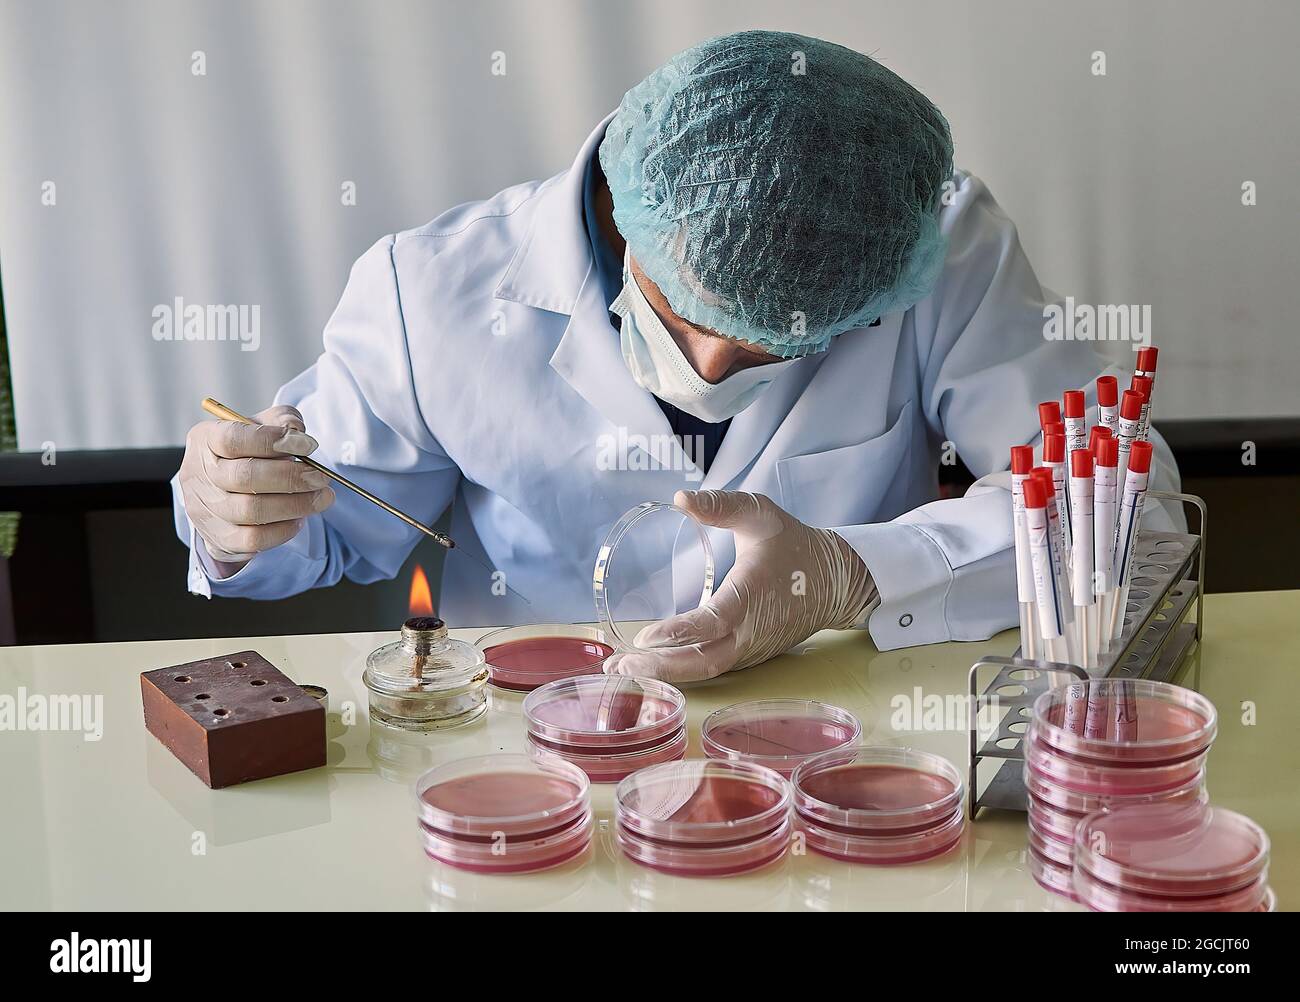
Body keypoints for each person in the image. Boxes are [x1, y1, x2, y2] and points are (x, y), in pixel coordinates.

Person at [174, 30, 1180, 682]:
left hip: (837, 733)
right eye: (681, 306)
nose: (708, 366)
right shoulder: (429, 292)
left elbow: (1127, 522)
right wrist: (232, 517)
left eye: (778, 345)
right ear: (621, 207)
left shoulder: (937, 244)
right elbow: (327, 535)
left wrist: (846, 575)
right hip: (542, 747)